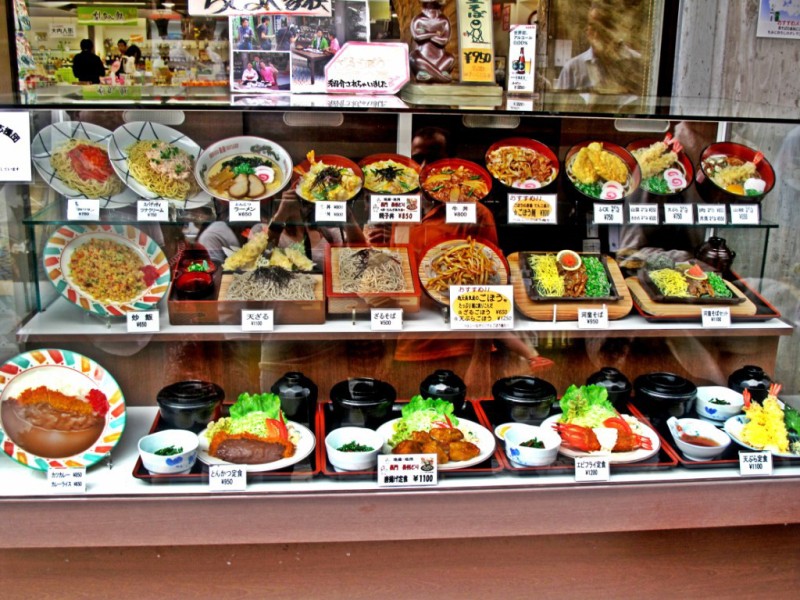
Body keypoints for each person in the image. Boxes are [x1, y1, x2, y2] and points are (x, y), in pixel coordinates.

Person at [555, 1, 642, 94]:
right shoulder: (573, 69)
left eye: (602, 29)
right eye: (593, 27)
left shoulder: (637, 64)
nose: (596, 35)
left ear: (615, 29)